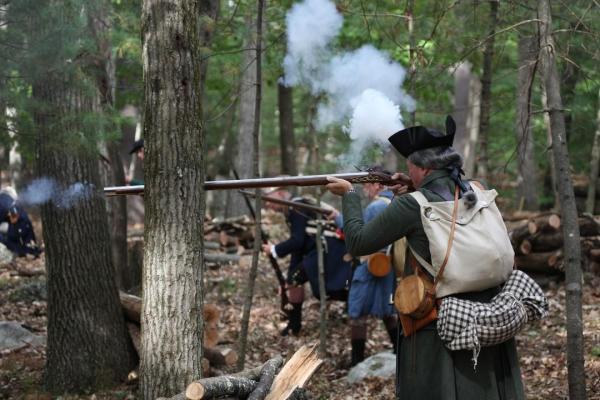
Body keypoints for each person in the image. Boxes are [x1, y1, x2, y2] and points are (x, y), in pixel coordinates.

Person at [326, 116, 524, 399]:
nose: (407, 172)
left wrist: (349, 194)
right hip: (491, 313)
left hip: (442, 321)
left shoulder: (411, 205)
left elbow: (357, 243)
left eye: (410, 167)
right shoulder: (476, 190)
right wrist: (416, 186)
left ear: (423, 167)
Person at [328, 165, 398, 366]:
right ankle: (398, 350)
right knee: (387, 312)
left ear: (377, 184)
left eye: (367, 185)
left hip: (369, 265)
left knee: (357, 314)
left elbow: (358, 235)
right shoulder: (392, 202)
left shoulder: (376, 206)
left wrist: (339, 219)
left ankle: (356, 362)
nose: (366, 190)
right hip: (385, 265)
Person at [261, 188, 352, 336]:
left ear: (280, 193)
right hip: (319, 252)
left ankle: (354, 305)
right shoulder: (294, 207)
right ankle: (294, 325)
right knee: (294, 279)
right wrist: (289, 274)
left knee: (332, 290)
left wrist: (275, 249)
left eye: (268, 198)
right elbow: (300, 244)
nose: (267, 204)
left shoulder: (296, 207)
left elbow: (298, 241)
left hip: (329, 251)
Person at [0, 190, 41, 258]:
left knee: (21, 228)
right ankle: (20, 251)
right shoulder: (3, 207)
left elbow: (29, 232)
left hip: (15, 219)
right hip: (7, 219)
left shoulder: (21, 214)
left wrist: (33, 250)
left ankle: (25, 251)